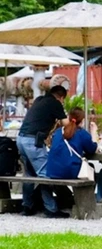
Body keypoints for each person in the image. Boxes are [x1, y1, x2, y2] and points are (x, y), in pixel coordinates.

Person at [16, 85, 69, 218]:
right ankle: (51, 209)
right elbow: (66, 123)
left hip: (21, 139)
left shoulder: (39, 99)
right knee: (45, 174)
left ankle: (27, 206)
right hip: (33, 141)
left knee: (29, 174)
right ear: (61, 97)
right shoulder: (55, 103)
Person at [46, 108, 97, 180]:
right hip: (70, 171)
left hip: (52, 171)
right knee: (91, 167)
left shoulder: (58, 132)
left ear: (68, 118)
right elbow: (92, 150)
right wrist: (94, 133)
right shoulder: (82, 133)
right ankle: (90, 188)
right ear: (82, 121)